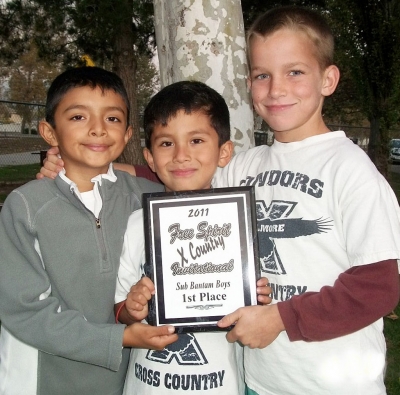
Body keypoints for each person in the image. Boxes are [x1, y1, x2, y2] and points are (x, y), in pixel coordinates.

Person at [213, 6, 400, 395]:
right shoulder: (240, 169)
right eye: (263, 75)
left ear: (327, 79)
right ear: (250, 83)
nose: (276, 89)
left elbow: (377, 288)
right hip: (261, 381)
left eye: (294, 72)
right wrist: (101, 171)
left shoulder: (351, 171)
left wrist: (280, 317)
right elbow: (184, 184)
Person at [0, 66, 178, 395]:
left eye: (112, 119)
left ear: (126, 134)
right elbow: (25, 312)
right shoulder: (25, 206)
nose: (98, 129)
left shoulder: (147, 199)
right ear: (49, 132)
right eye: (79, 117)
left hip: (127, 379)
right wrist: (117, 338)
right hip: (46, 380)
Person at [114, 80, 271, 395]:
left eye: (197, 140)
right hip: (146, 386)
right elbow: (120, 310)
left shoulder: (239, 224)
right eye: (166, 143)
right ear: (150, 157)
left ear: (224, 151)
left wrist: (256, 297)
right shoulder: (137, 225)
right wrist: (133, 307)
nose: (181, 155)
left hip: (220, 385)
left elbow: (253, 319)